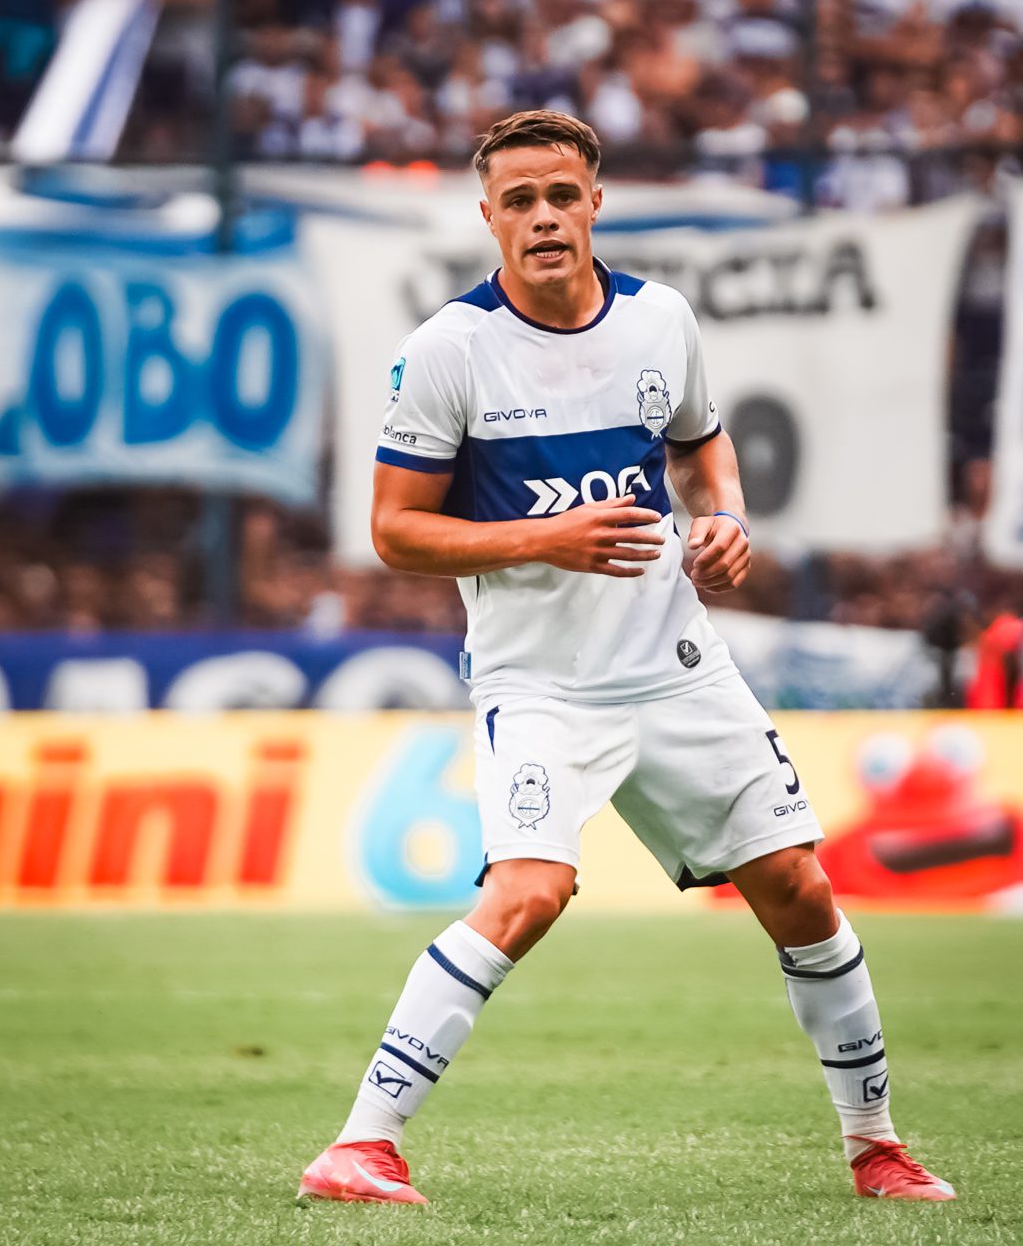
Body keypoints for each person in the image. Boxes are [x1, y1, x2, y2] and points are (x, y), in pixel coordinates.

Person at [298, 109, 955, 1206]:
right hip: (538, 683)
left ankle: (875, 1145)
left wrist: (725, 512)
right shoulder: (450, 350)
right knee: (530, 891)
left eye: (562, 195)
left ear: (595, 203)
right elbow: (396, 531)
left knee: (798, 885)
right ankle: (360, 1144)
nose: (544, 217)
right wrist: (543, 538)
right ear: (489, 218)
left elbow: (701, 443)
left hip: (674, 666)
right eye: (519, 201)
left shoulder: (660, 319)